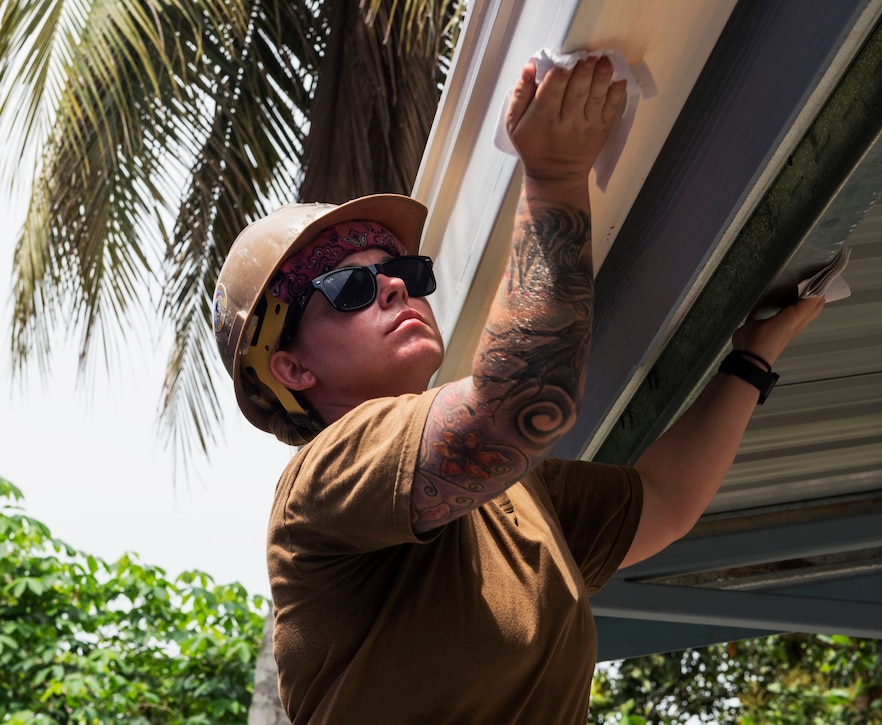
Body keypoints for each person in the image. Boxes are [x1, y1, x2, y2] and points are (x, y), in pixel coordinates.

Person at [212, 55, 823, 723]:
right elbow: (514, 403)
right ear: (294, 369)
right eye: (349, 287)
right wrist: (555, 176)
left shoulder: (509, 494)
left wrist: (752, 360)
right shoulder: (324, 480)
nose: (393, 285)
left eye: (407, 272)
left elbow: (662, 500)